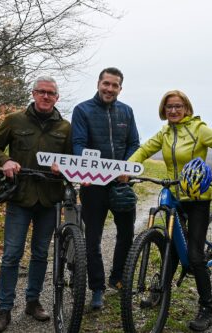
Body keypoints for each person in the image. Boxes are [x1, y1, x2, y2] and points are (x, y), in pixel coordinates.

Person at [127, 90, 212, 331]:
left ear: (186, 108)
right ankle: (160, 290)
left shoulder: (198, 129)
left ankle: (206, 306)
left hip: (197, 197)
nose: (173, 111)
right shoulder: (164, 133)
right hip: (174, 195)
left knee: (195, 256)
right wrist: (129, 168)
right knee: (171, 245)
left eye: (177, 106)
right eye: (169, 107)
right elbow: (144, 150)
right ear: (163, 110)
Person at [0, 76, 72, 332]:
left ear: (57, 98)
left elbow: (72, 160)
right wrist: (5, 161)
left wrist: (63, 166)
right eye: (41, 92)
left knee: (41, 254)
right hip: (20, 198)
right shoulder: (14, 120)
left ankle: (33, 302)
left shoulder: (66, 128)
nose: (46, 96)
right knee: (12, 254)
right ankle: (4, 309)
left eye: (51, 93)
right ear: (33, 94)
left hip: (48, 199)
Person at [71, 67, 140, 309]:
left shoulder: (127, 111)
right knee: (92, 240)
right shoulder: (82, 110)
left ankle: (118, 278)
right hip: (94, 185)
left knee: (126, 234)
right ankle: (97, 287)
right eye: (106, 84)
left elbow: (134, 144)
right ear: (99, 83)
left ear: (120, 88)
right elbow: (78, 143)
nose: (109, 89)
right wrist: (85, 170)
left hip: (121, 184)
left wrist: (127, 168)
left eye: (115, 85)